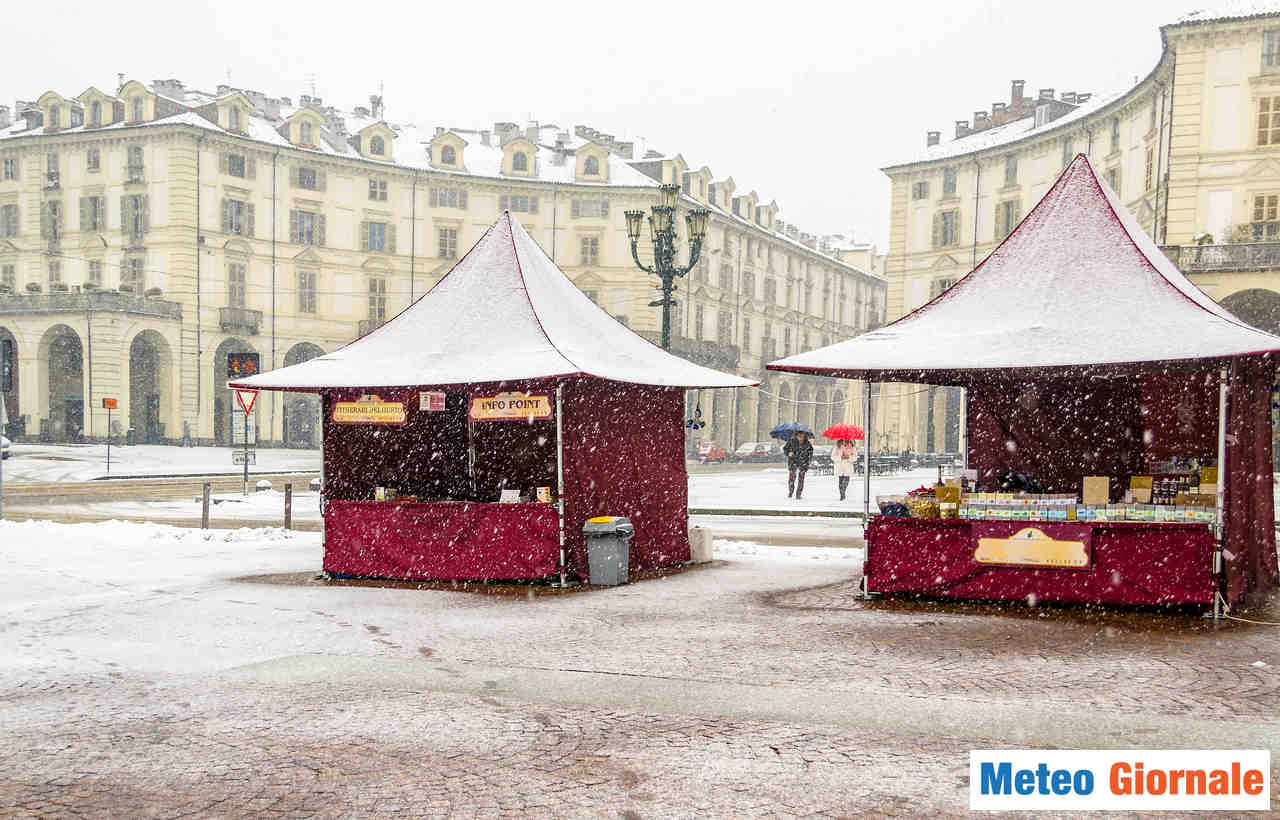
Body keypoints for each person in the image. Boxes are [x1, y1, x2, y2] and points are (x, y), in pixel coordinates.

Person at [783, 430, 813, 499]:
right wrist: (788, 453)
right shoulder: (791, 441)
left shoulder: (807, 443)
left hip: (803, 463)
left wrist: (807, 462)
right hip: (793, 462)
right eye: (799, 436)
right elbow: (785, 449)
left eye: (802, 436)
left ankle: (798, 494)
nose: (801, 437)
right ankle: (791, 491)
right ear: (796, 435)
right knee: (792, 478)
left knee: (801, 479)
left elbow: (810, 453)